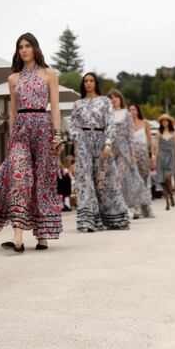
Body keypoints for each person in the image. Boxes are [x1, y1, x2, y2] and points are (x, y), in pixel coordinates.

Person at [0, 33, 62, 251]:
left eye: (27, 46)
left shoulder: (49, 73)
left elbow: (56, 107)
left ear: (35, 48)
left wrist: (58, 134)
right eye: (20, 46)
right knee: (19, 179)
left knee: (43, 182)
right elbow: (12, 112)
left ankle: (43, 235)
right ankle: (18, 236)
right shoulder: (13, 78)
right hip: (21, 131)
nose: (24, 50)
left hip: (43, 128)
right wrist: (12, 139)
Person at [69, 73, 130, 231]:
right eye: (86, 81)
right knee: (85, 181)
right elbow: (73, 125)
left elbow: (110, 123)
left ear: (96, 83)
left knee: (104, 181)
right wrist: (78, 139)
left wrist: (108, 143)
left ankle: (114, 218)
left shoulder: (105, 101)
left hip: (102, 139)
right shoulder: (78, 104)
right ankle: (88, 221)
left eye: (91, 81)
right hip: (84, 142)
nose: (88, 83)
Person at [106, 90, 148, 219]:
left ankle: (126, 206)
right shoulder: (107, 114)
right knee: (112, 178)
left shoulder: (127, 114)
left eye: (116, 97)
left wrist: (133, 152)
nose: (114, 100)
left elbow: (130, 135)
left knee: (122, 177)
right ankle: (118, 206)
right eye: (111, 98)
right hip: (111, 148)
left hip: (124, 149)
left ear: (120, 98)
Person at [128, 104, 155, 218]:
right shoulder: (127, 124)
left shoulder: (145, 123)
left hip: (143, 154)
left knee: (143, 181)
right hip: (132, 155)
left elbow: (150, 141)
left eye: (133, 110)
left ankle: (147, 207)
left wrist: (152, 155)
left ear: (138, 111)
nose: (132, 112)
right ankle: (136, 208)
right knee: (134, 180)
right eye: (130, 110)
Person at [152, 114, 175, 210]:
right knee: (162, 180)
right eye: (163, 121)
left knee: (168, 177)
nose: (165, 122)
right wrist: (155, 160)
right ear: (161, 123)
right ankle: (168, 201)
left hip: (171, 156)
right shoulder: (159, 133)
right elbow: (157, 147)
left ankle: (171, 194)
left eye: (166, 121)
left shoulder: (174, 132)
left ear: (169, 122)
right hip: (161, 157)